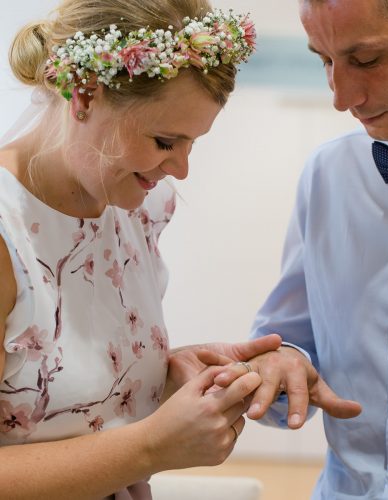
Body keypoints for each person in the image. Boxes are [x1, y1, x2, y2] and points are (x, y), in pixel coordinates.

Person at [214, 0, 388, 498]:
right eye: (325, 60)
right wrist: (279, 362)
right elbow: (287, 340)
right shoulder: (328, 173)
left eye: (365, 60)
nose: (340, 97)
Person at [0, 0, 283, 498]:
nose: (181, 170)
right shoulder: (8, 234)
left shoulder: (138, 208)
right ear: (84, 95)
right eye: (165, 141)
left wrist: (167, 377)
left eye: (193, 143)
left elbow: (67, 396)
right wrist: (152, 447)